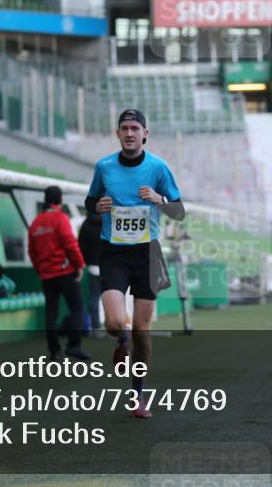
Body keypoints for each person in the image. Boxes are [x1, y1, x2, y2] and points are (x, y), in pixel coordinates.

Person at [85, 108, 185, 419]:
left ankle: (138, 395)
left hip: (148, 253)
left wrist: (159, 199)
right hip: (114, 252)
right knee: (115, 322)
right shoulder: (104, 167)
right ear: (117, 134)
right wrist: (97, 207)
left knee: (144, 332)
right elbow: (90, 202)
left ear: (145, 134)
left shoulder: (158, 168)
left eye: (135, 128)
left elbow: (179, 211)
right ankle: (121, 339)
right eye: (124, 128)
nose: (129, 133)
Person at [28, 185, 90, 362]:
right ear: (61, 200)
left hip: (47, 275)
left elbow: (32, 251)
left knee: (51, 313)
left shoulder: (36, 222)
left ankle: (54, 352)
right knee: (77, 308)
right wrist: (79, 265)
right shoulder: (60, 218)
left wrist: (39, 269)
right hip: (65, 272)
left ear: (45, 200)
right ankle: (73, 346)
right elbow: (70, 244)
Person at [78, 210, 104, 334]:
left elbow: (81, 245)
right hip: (109, 266)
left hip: (92, 266)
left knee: (94, 297)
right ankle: (113, 328)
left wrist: (86, 261)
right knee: (112, 298)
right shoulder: (108, 221)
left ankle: (95, 327)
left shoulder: (86, 224)